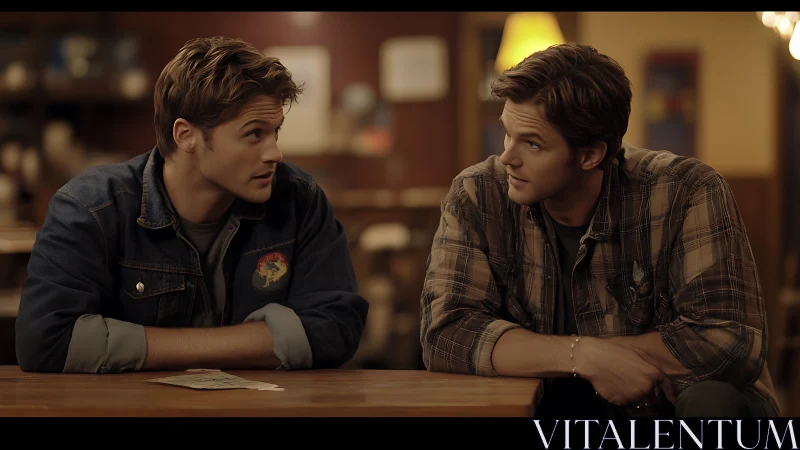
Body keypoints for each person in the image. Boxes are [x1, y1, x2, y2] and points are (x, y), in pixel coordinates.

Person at [420, 43, 779, 417]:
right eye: (507, 134)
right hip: (547, 402)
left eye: (532, 143)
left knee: (711, 404)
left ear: (590, 155)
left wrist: (582, 357)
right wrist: (585, 356)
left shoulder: (686, 191)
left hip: (668, 406)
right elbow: (445, 334)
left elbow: (731, 342)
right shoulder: (478, 193)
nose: (507, 156)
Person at [15, 36, 369, 374]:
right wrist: (257, 343)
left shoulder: (299, 200)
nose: (274, 153)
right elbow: (46, 340)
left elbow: (336, 328)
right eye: (254, 134)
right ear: (186, 135)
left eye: (275, 132)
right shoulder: (91, 208)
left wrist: (130, 345)